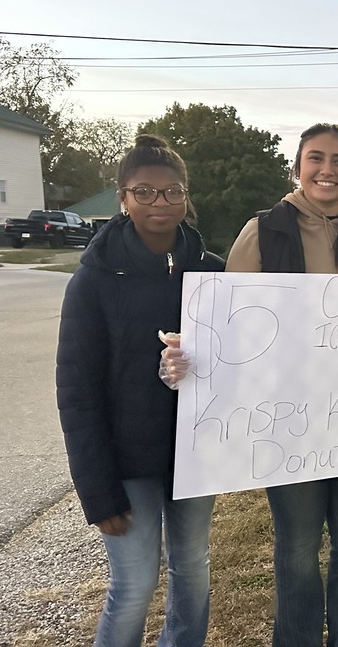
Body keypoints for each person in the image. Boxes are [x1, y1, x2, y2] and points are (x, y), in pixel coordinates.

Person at [212, 123, 338, 647]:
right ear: (298, 166)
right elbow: (233, 327)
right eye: (316, 158)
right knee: (296, 546)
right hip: (287, 421)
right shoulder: (264, 231)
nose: (327, 169)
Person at [56, 134, 225, 647]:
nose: (160, 202)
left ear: (187, 196)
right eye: (145, 191)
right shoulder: (94, 282)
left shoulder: (213, 274)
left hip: (194, 455)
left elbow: (248, 355)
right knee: (134, 585)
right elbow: (77, 393)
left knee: (192, 569)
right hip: (127, 463)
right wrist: (96, 488)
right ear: (123, 198)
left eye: (172, 191)